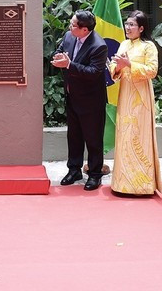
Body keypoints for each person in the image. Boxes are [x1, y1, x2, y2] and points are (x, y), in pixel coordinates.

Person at [52, 10, 108, 191]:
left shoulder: (98, 46)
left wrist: (69, 65)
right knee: (74, 136)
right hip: (72, 94)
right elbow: (60, 50)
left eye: (73, 25)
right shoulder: (70, 36)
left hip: (91, 100)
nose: (70, 26)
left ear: (85, 30)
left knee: (93, 138)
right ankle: (74, 170)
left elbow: (93, 72)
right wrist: (59, 57)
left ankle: (95, 174)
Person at [108, 10, 161, 196]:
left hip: (141, 97)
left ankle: (143, 185)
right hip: (125, 94)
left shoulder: (149, 46)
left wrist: (130, 65)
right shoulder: (124, 44)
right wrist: (118, 67)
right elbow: (114, 68)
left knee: (139, 135)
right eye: (127, 24)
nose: (128, 27)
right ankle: (122, 183)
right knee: (124, 135)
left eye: (132, 25)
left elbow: (152, 71)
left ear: (141, 28)